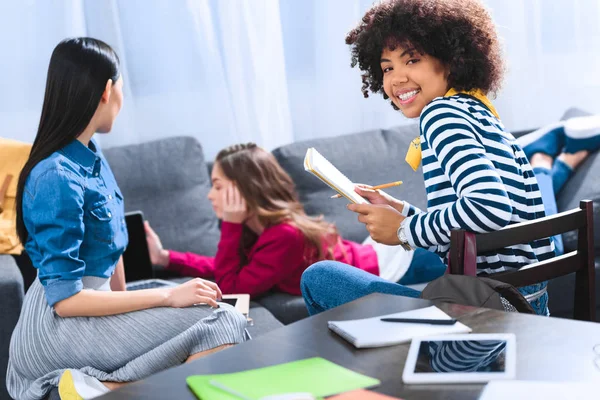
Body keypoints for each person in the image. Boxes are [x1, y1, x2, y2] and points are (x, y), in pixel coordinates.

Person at [301, 0, 599, 317]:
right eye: (387, 67)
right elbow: (476, 232)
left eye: (411, 60)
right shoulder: (478, 112)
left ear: (450, 60)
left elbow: (489, 207)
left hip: (486, 316)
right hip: (527, 308)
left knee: (319, 277)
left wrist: (403, 230)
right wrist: (402, 211)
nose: (396, 78)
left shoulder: (440, 115)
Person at [7, 38, 247, 400]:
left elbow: (112, 247)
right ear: (107, 90)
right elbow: (66, 300)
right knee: (223, 322)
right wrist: (166, 298)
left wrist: (135, 318)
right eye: (121, 87)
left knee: (217, 306)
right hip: (58, 325)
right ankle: (104, 386)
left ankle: (106, 387)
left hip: (94, 307)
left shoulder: (91, 156)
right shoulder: (55, 175)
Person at [144, 143, 447, 298]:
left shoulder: (283, 235)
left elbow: (232, 286)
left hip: (399, 263)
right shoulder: (262, 230)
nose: (210, 195)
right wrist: (165, 257)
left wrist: (232, 225)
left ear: (246, 191)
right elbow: (228, 268)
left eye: (218, 186)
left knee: (469, 256)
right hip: (381, 252)